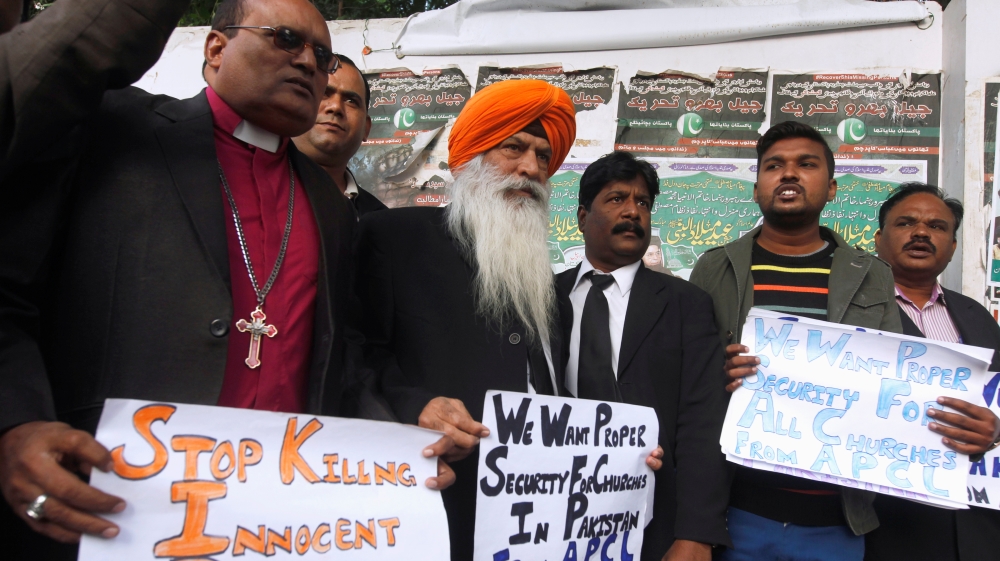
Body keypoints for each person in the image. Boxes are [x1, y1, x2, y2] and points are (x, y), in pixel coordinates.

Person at [0, 0, 453, 558]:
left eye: (321, 54)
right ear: (216, 49)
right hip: (108, 510)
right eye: (285, 38)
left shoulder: (331, 207)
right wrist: (15, 424)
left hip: (272, 527)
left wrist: (400, 452)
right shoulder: (113, 130)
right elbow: (9, 292)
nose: (308, 63)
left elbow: (340, 362)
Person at [353, 80, 664, 560]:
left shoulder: (543, 282)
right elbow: (353, 358)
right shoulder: (395, 238)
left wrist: (619, 454)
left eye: (543, 156)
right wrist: (416, 407)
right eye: (513, 149)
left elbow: (558, 399)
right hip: (438, 507)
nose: (531, 169)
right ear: (470, 157)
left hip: (538, 523)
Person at [689, 121, 902, 561]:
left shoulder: (873, 275)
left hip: (836, 523)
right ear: (756, 189)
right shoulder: (714, 269)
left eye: (806, 164)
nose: (789, 174)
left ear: (832, 189)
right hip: (736, 516)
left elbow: (894, 385)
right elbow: (687, 380)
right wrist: (719, 373)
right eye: (773, 166)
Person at [556, 151, 731, 561]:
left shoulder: (687, 304)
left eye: (643, 203)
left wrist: (696, 534)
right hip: (554, 512)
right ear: (582, 217)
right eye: (616, 199)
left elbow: (704, 423)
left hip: (654, 521)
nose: (633, 212)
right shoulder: (540, 298)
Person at [865, 183, 1000, 561]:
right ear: (878, 239)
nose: (922, 233)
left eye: (937, 226)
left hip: (975, 526)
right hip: (888, 524)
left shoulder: (977, 317)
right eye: (906, 223)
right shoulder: (848, 315)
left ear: (953, 247)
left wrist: (996, 430)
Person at [293, 54, 388, 217]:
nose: (336, 107)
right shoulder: (252, 189)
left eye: (351, 101)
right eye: (324, 93)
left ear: (366, 128)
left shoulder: (379, 220)